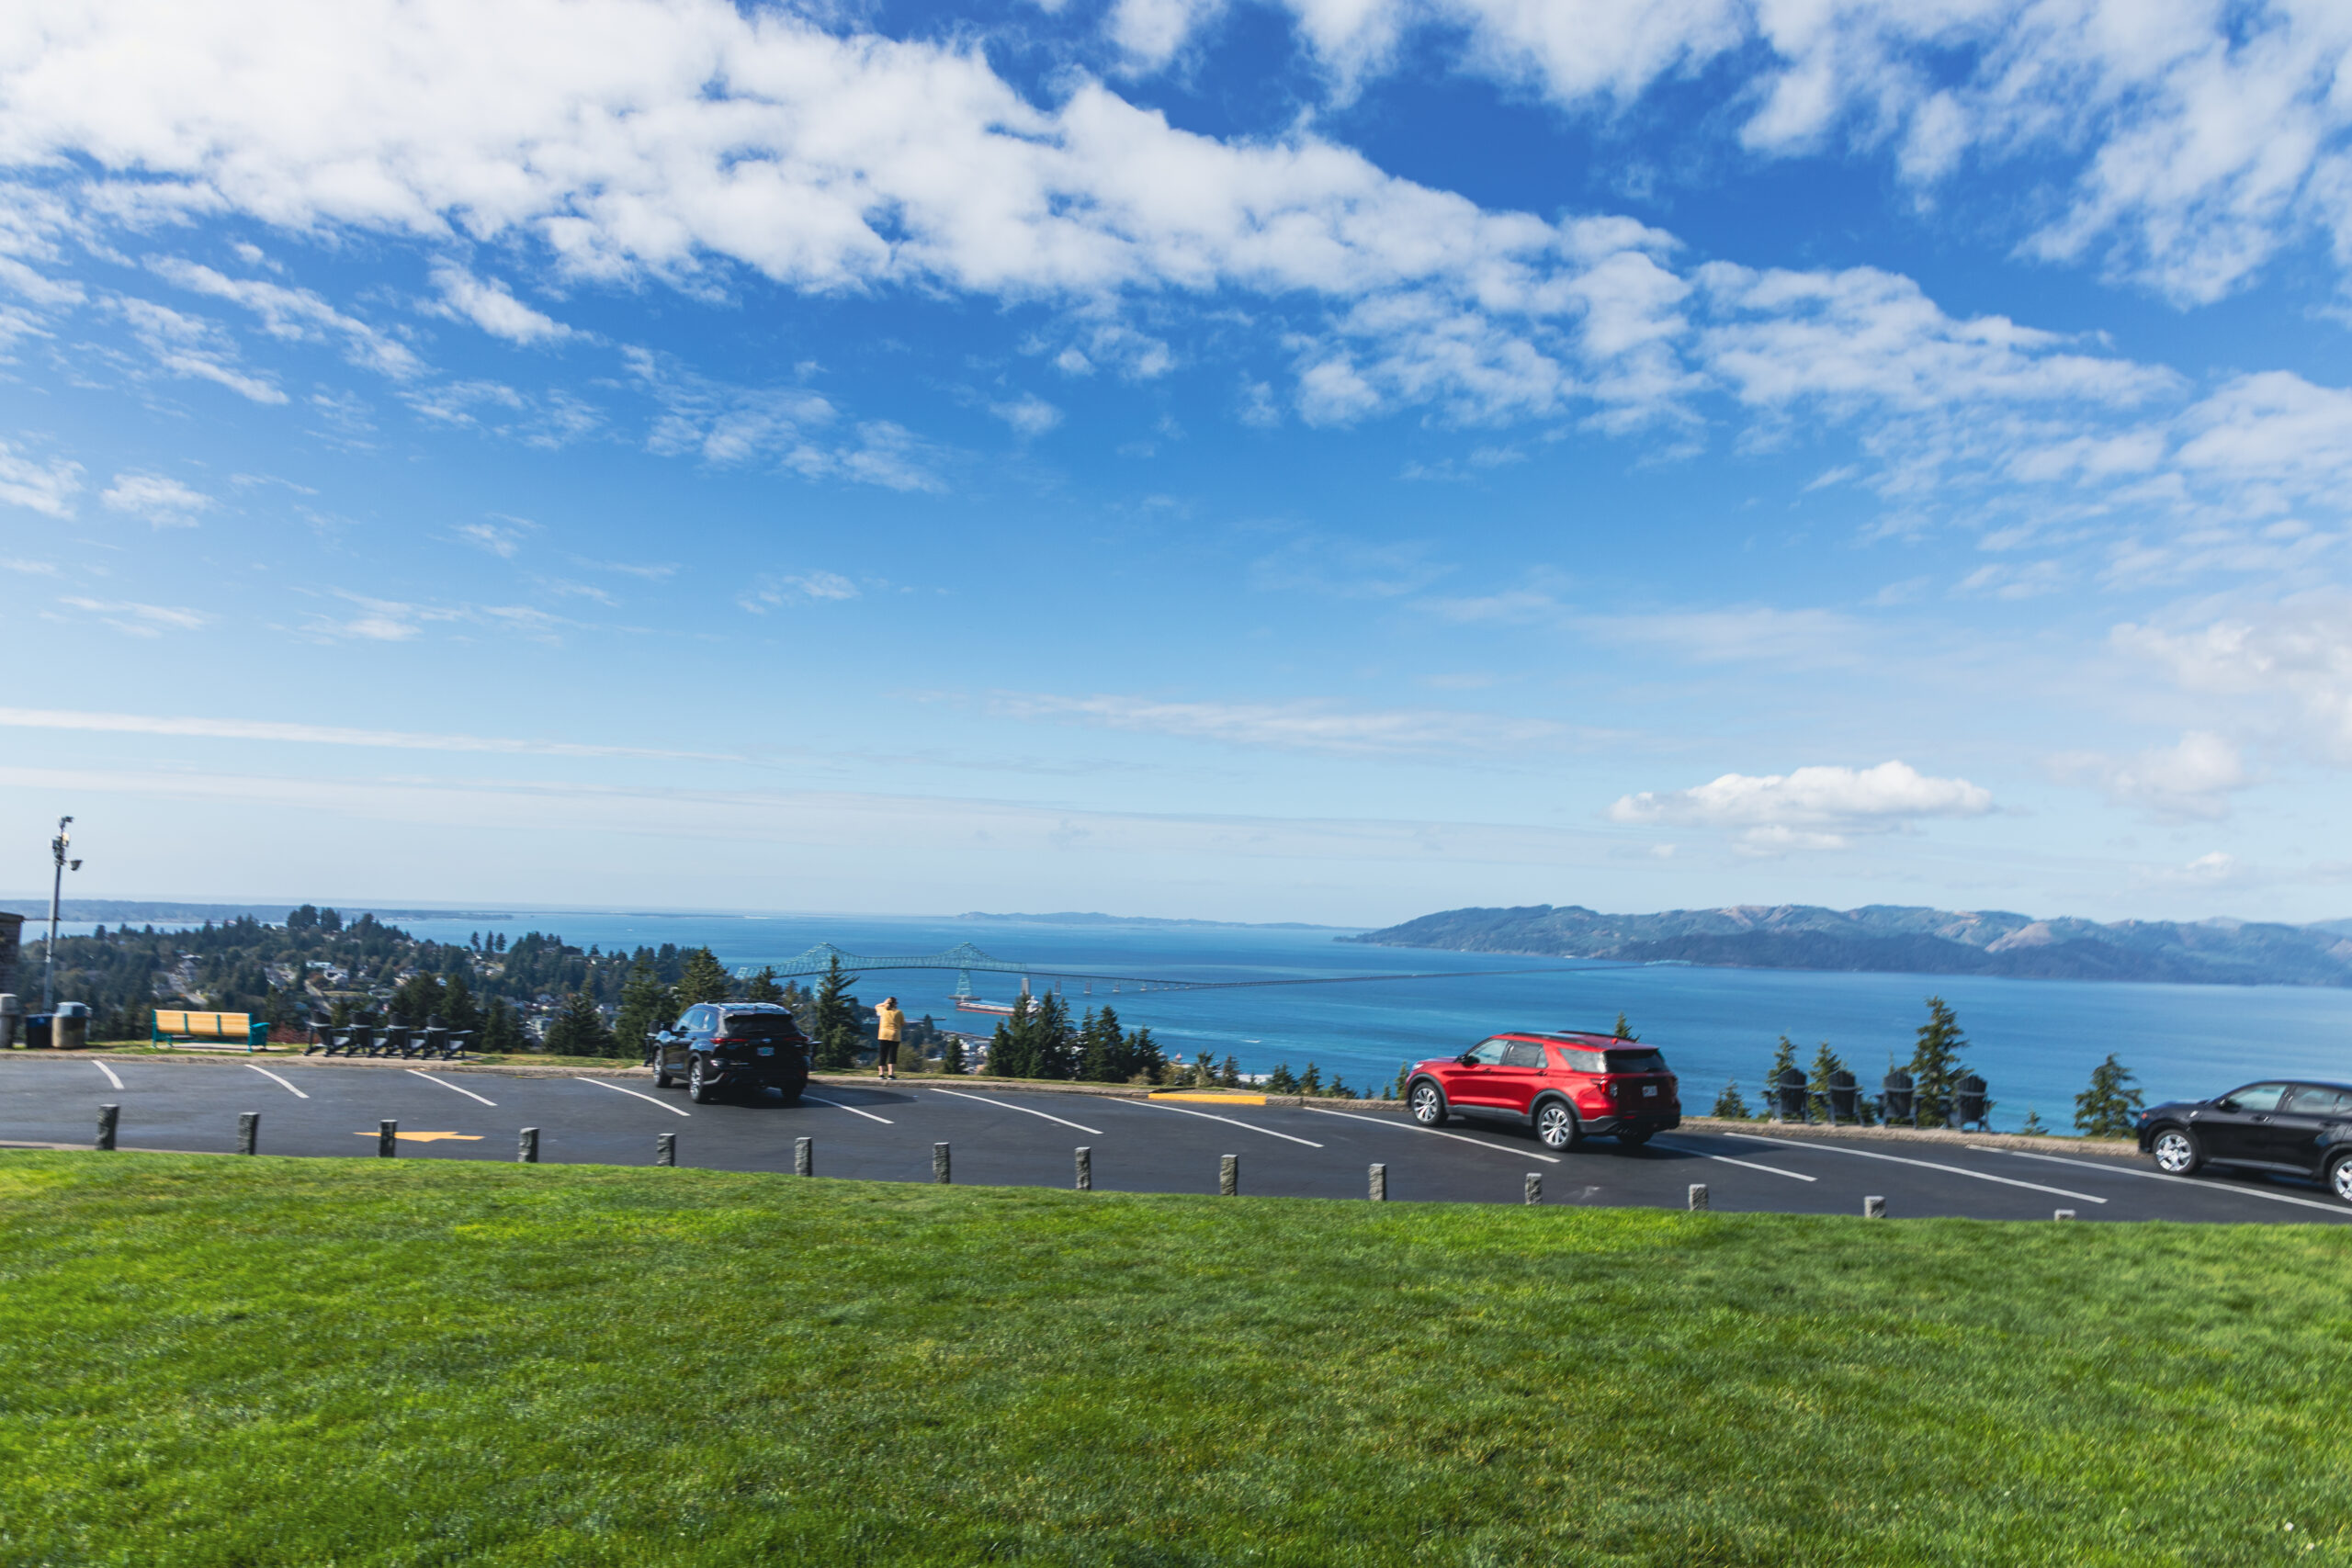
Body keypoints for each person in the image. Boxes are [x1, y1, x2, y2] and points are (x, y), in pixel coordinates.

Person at [875, 996, 904, 1081]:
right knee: (892, 1055)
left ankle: (881, 1074)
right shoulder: (899, 1012)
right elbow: (902, 1023)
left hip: (883, 1034)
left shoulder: (883, 1010)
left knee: (882, 1054)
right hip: (895, 1035)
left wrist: (884, 1003)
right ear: (895, 1004)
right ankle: (891, 1074)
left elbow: (876, 1006)